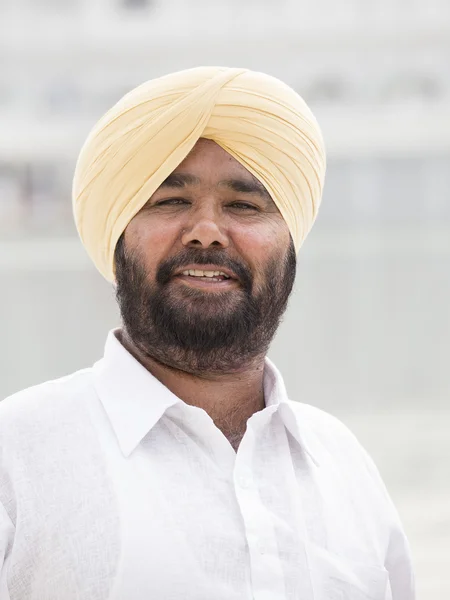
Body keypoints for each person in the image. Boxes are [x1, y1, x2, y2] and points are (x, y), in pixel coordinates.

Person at [0, 67, 415, 600]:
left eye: (243, 205)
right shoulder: (18, 455)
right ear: (118, 238)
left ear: (290, 246)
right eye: (171, 201)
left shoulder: (342, 464)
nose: (206, 231)